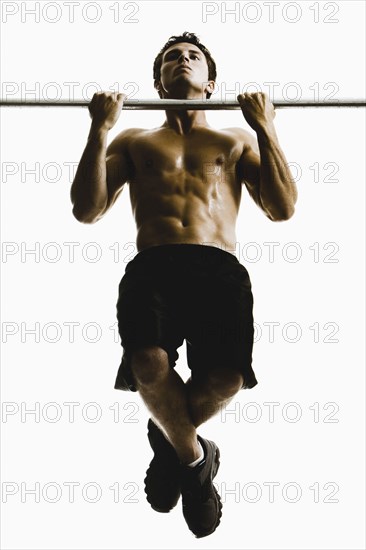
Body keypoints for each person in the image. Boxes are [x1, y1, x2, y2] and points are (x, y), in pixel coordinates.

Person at [70, 32, 298, 538]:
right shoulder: (134, 140)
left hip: (218, 268)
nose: (183, 60)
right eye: (172, 57)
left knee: (227, 380)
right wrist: (99, 130)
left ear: (209, 81)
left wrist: (266, 128)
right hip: (154, 265)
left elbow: (282, 209)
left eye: (193, 56)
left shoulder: (236, 140)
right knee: (147, 364)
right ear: (159, 80)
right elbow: (87, 210)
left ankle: (174, 441)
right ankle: (196, 463)